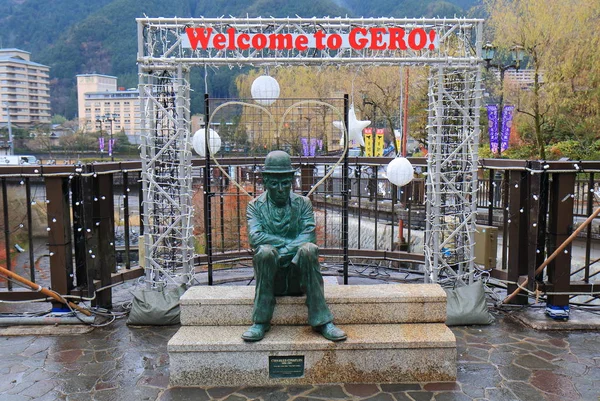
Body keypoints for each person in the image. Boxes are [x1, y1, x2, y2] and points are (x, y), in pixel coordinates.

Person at [242, 150, 347, 342]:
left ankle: (322, 321)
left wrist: (283, 250)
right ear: (265, 182)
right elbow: (255, 237)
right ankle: (261, 321)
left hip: (300, 276)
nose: (281, 189)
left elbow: (309, 234)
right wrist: (285, 247)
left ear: (292, 181)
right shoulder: (255, 206)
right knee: (265, 252)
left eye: (285, 183)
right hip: (272, 277)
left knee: (308, 249)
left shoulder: (303, 203)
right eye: (274, 183)